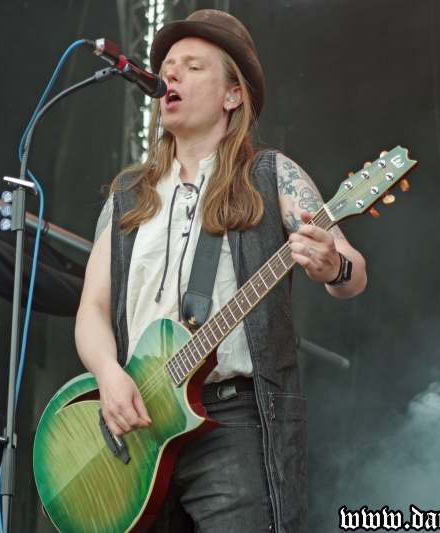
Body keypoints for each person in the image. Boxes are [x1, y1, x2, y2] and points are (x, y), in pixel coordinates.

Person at [75, 10, 366, 532]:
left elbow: (352, 273)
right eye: (167, 66)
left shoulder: (270, 175)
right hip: (138, 425)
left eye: (192, 66)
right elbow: (93, 309)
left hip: (233, 422)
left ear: (233, 95)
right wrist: (108, 376)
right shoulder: (128, 196)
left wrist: (333, 264)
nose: (171, 74)